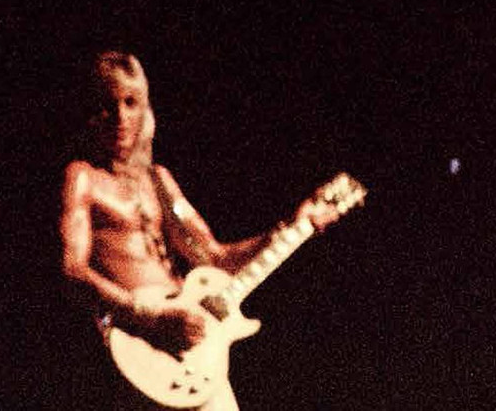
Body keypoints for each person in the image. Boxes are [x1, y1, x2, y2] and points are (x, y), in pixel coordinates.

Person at [59, 52, 337, 410]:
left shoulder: (158, 180)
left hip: (189, 344)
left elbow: (214, 257)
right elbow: (72, 270)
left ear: (145, 108)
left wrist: (294, 226)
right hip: (139, 342)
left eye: (131, 102)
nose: (121, 118)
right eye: (107, 106)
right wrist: (150, 315)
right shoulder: (82, 177)